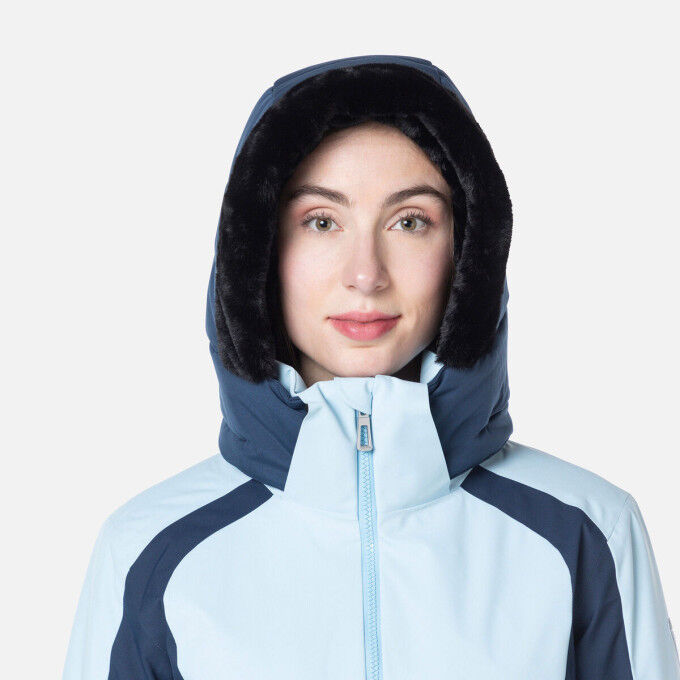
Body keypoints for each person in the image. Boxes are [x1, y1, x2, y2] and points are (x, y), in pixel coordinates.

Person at [62, 54, 680, 680]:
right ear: (260, 248)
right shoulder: (149, 552)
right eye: (321, 221)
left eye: (410, 222)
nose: (366, 273)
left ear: (467, 250)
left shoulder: (588, 534)